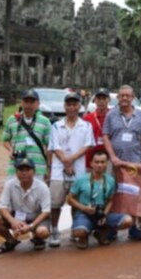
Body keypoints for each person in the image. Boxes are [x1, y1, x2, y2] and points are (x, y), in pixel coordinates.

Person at [102, 85, 141, 241]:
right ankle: (113, 227)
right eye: (121, 95)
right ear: (117, 97)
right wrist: (112, 157)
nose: (124, 98)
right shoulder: (111, 115)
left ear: (133, 97)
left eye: (127, 96)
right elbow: (105, 137)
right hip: (115, 161)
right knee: (113, 193)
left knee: (133, 194)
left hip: (134, 161)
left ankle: (133, 227)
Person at [47, 92, 94, 247]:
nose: (72, 107)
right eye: (69, 104)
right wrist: (66, 162)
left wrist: (71, 160)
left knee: (76, 202)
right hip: (58, 170)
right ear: (64, 106)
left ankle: (75, 229)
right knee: (55, 203)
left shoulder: (86, 125)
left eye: (75, 104)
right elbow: (54, 147)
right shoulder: (56, 125)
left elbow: (86, 146)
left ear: (79, 106)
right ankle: (55, 230)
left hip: (78, 170)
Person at [67, 150, 133, 249]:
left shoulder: (111, 180)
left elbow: (110, 200)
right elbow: (69, 199)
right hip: (84, 213)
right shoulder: (81, 180)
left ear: (107, 164)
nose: (99, 165)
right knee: (79, 232)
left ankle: (100, 232)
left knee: (128, 220)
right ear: (91, 164)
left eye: (102, 162)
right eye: (97, 162)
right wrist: (84, 208)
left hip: (102, 214)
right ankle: (84, 235)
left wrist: (104, 214)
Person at [0, 155, 51, 254]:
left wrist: (30, 227)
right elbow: (2, 207)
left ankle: (37, 238)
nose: (24, 173)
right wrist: (13, 221)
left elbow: (46, 212)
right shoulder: (9, 184)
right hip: (16, 216)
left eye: (28, 169)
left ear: (34, 171)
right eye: (21, 170)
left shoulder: (43, 187)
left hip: (36, 218)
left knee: (42, 231)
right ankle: (11, 240)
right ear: (16, 172)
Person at [2, 89, 52, 179]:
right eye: (26, 101)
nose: (28, 104)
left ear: (38, 104)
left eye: (32, 102)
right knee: (13, 191)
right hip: (16, 166)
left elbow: (49, 146)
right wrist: (11, 149)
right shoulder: (12, 119)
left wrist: (49, 167)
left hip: (38, 167)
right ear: (21, 103)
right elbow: (5, 140)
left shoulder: (45, 121)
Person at [83, 88, 112, 168]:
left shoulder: (114, 116)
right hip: (91, 157)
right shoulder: (88, 118)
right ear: (95, 100)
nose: (101, 101)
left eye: (104, 99)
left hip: (109, 157)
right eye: (99, 99)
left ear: (108, 100)